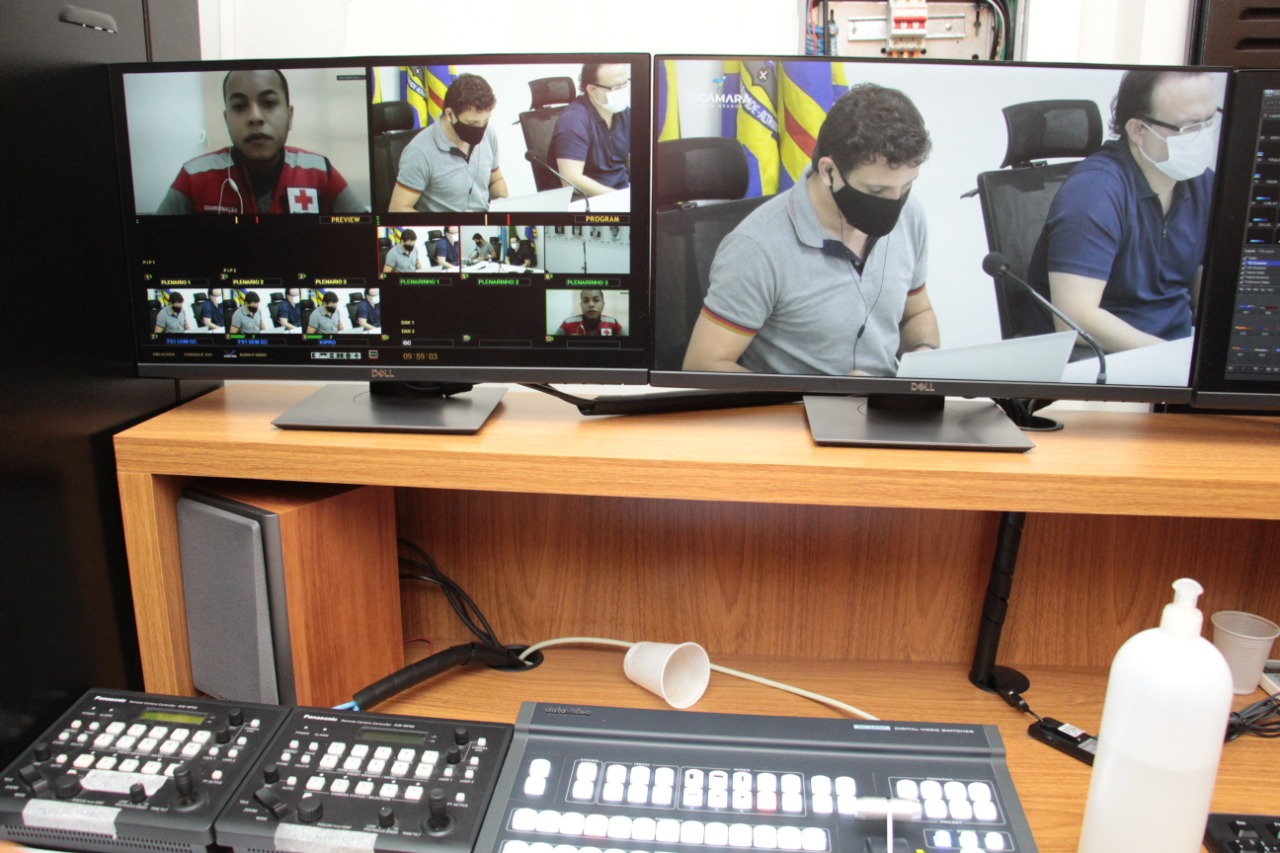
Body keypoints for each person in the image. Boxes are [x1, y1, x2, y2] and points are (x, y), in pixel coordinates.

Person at [683, 83, 938, 376]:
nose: (895, 202)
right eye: (877, 190)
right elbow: (702, 367)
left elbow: (917, 312)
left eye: (906, 186)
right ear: (829, 171)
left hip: (888, 401)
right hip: (798, 404)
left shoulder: (910, 215)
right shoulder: (756, 247)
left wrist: (924, 356)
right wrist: (827, 394)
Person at [1029, 70, 1219, 352]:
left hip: (1176, 352)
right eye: (1190, 127)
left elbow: (1204, 290)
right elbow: (1075, 320)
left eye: (1210, 121)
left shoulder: (1201, 183)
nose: (1203, 136)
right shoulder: (1094, 191)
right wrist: (1173, 358)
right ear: (1138, 130)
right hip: (1104, 359)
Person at [156, 69, 363, 215]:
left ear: (290, 116)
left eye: (269, 103)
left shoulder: (319, 172)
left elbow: (366, 235)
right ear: (227, 120)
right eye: (239, 106)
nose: (255, 117)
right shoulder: (193, 177)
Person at [388, 73, 508, 213]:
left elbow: (496, 180)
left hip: (485, 223)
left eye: (485, 120)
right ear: (450, 115)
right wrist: (449, 223)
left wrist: (502, 203)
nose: (481, 128)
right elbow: (397, 209)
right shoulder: (419, 151)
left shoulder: (489, 134)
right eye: (472, 123)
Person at [547, 63, 631, 197]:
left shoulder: (624, 113)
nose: (622, 91)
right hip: (586, 200)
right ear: (592, 90)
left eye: (625, 84)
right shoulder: (573, 119)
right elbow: (571, 181)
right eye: (616, 87)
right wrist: (619, 197)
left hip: (622, 194)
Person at [557, 289, 623, 336]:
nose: (591, 304)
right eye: (585, 301)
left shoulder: (613, 323)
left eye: (596, 300)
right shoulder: (567, 324)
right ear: (581, 305)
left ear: (603, 305)